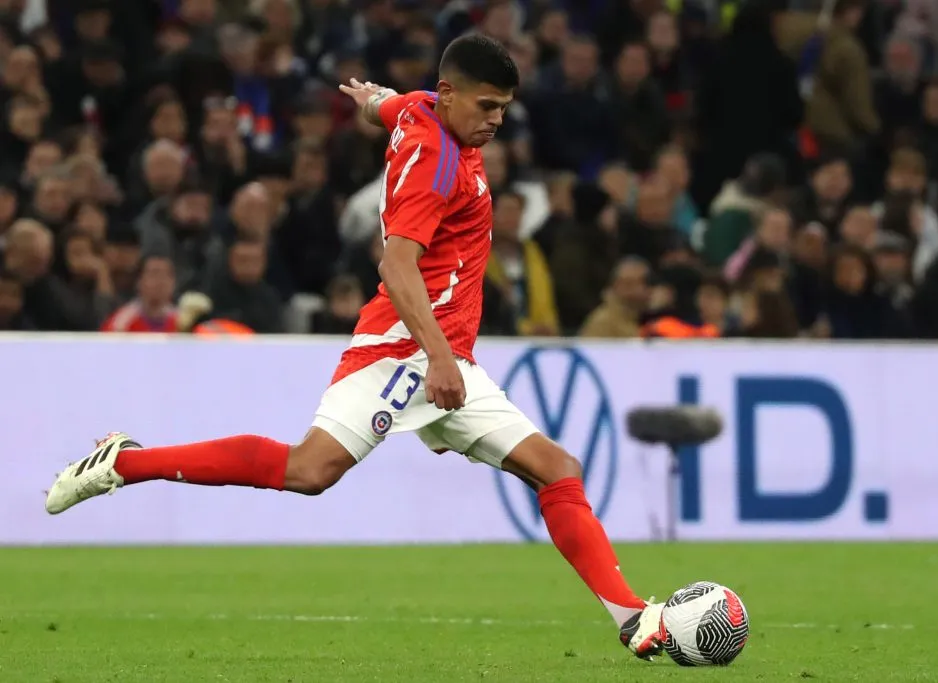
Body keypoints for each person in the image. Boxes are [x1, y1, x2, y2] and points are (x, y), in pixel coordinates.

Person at [44, 35, 665, 662]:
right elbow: (397, 266)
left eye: (503, 107)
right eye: (486, 105)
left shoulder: (425, 108)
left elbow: (391, 109)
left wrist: (373, 101)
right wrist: (441, 358)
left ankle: (631, 617)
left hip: (447, 352)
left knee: (557, 470)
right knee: (308, 471)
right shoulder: (435, 161)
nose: (496, 120)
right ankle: (125, 463)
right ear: (450, 95)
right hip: (404, 349)